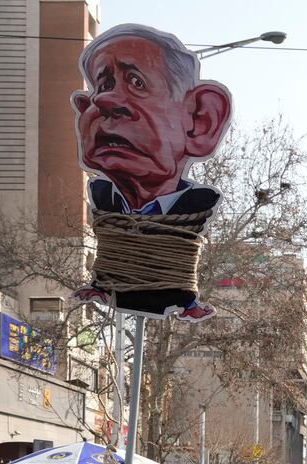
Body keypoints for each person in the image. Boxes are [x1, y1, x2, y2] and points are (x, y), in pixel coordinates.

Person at [71, 23, 231, 318]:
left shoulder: (198, 206)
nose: (105, 100)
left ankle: (187, 303)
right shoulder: (101, 199)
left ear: (201, 120)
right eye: (103, 86)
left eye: (136, 82)